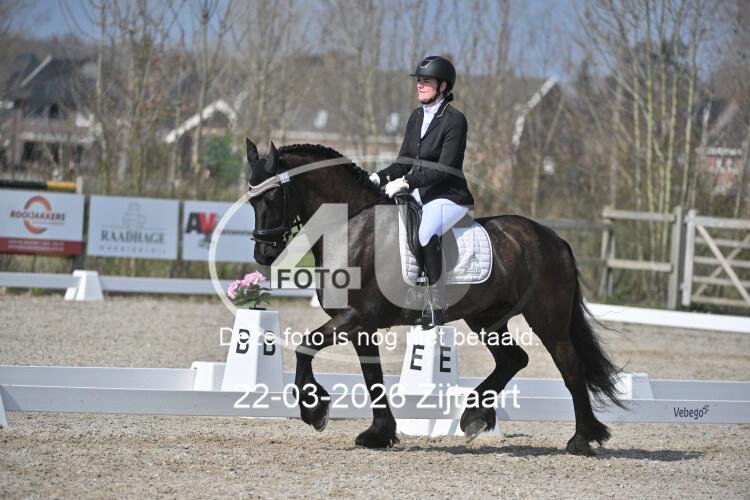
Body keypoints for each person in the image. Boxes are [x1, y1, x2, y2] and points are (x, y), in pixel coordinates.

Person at [369, 55, 475, 327]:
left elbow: (445, 169)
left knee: (426, 231)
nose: (419, 85)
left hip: (448, 196)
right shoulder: (416, 117)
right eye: (419, 80)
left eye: (426, 81)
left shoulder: (455, 120)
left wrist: (407, 182)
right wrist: (378, 177)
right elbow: (404, 161)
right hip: (419, 193)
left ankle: (437, 303)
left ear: (442, 86)